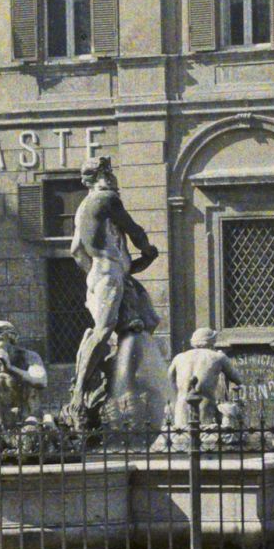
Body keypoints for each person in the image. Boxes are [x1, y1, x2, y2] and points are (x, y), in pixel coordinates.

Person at [68, 156, 161, 423]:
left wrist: (100, 272)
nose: (111, 178)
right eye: (107, 173)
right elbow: (135, 230)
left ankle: (113, 370)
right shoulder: (106, 198)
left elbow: (75, 250)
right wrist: (146, 251)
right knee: (104, 329)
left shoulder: (84, 208)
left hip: (108, 273)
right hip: (108, 273)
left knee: (147, 321)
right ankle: (78, 393)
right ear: (100, 177)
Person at [168, 328, 242, 433]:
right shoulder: (218, 357)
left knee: (181, 439)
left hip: (181, 408)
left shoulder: (179, 357)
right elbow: (238, 379)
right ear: (211, 341)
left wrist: (180, 393)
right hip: (204, 408)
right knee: (207, 440)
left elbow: (170, 379)